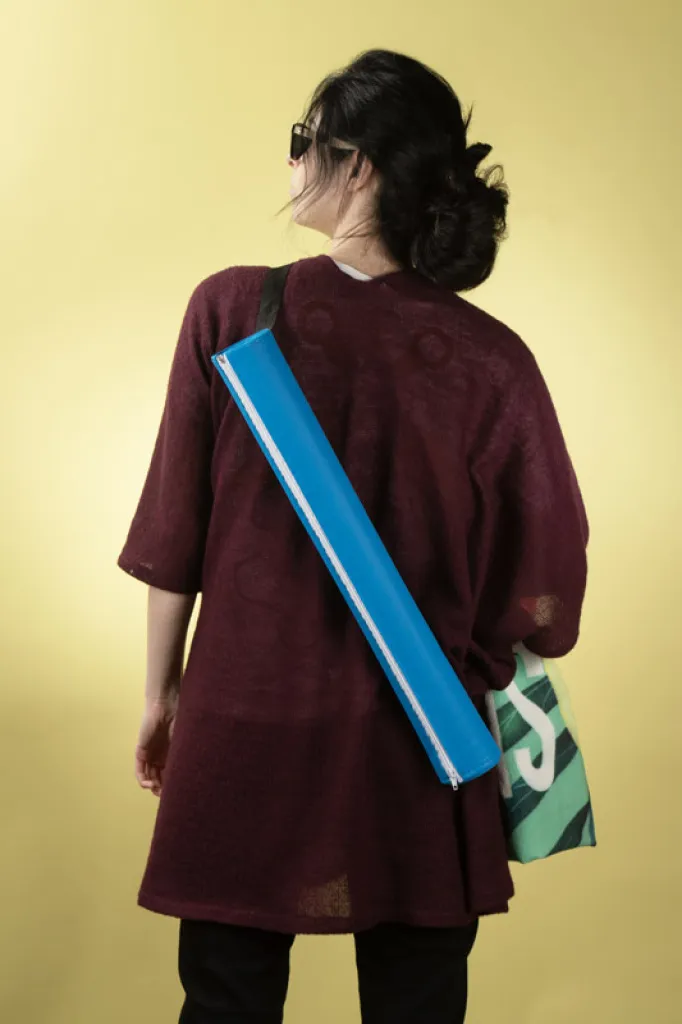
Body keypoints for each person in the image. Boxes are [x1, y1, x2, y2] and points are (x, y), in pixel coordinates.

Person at [118, 48, 588, 1024]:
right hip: (421, 733)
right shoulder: (493, 361)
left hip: (245, 722)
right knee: (419, 1000)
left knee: (226, 998)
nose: (291, 162)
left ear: (359, 164)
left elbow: (175, 533)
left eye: (303, 141)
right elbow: (544, 594)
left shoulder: (232, 310)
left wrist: (163, 697)